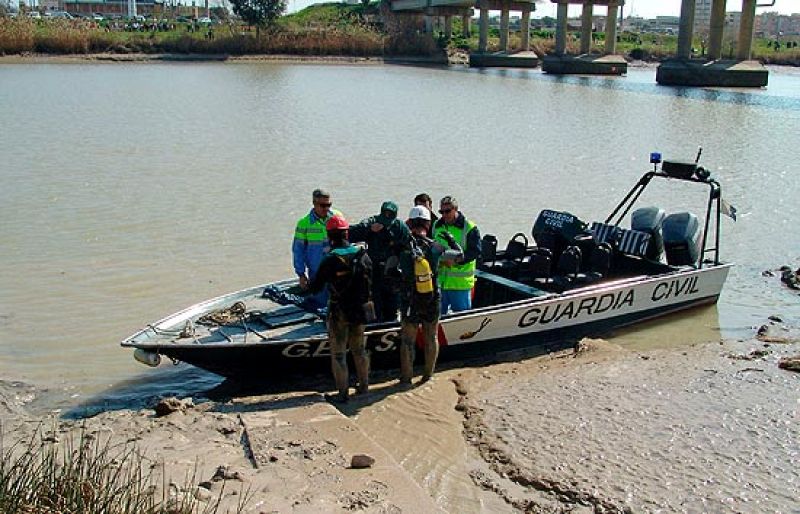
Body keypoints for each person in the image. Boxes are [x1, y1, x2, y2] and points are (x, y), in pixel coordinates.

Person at [302, 215, 372, 403]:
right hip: (360, 310)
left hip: (339, 311)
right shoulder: (362, 255)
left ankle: (342, 394)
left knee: (339, 354)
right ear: (347, 233)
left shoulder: (330, 259)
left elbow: (315, 288)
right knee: (360, 350)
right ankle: (364, 388)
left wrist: (305, 287)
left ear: (329, 235)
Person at [398, 206, 462, 385]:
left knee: (407, 340)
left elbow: (389, 270)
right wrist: (451, 240)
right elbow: (459, 256)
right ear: (428, 223)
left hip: (410, 298)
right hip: (432, 298)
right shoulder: (435, 247)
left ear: (409, 223)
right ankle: (428, 376)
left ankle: (406, 378)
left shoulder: (403, 247)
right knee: (431, 336)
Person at [349, 201, 411, 322]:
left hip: (392, 272)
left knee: (392, 305)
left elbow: (410, 245)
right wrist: (369, 229)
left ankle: (392, 322)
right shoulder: (371, 222)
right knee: (376, 304)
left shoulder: (400, 227)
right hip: (374, 272)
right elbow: (350, 234)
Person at [292, 189, 341, 310]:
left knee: (339, 301)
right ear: (314, 203)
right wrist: (301, 274)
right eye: (322, 205)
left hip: (336, 269)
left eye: (329, 205)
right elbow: (298, 251)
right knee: (320, 303)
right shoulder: (304, 223)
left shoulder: (337, 217)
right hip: (317, 270)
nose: (326, 208)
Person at [432, 196, 481, 314]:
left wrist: (457, 260)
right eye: (441, 212)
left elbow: (475, 252)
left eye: (447, 211)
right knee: (436, 317)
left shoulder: (469, 227)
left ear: (456, 209)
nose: (444, 215)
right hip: (441, 283)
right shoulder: (437, 225)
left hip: (460, 285)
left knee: (461, 320)